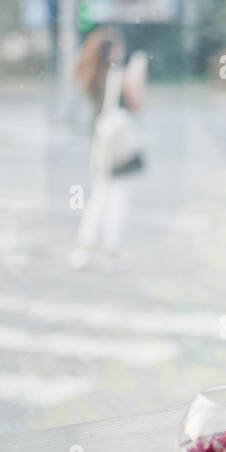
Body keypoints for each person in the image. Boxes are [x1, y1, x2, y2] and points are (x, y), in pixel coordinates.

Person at [69, 26, 147, 270]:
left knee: (99, 195)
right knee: (118, 197)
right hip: (118, 145)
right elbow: (137, 105)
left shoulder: (90, 74)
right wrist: (137, 78)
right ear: (112, 51)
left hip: (99, 143)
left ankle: (85, 247)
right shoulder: (119, 77)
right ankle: (111, 251)